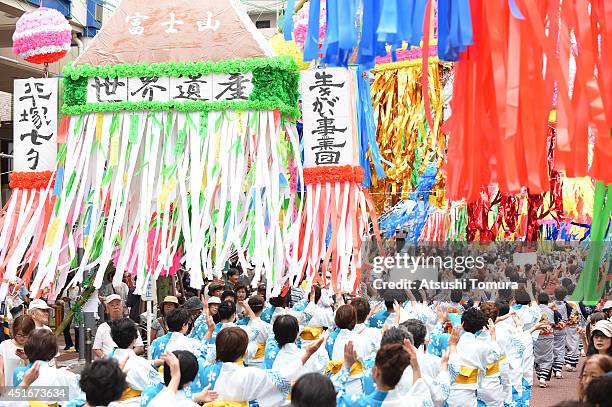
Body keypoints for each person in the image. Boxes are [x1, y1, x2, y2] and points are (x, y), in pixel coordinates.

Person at [194, 327, 294, 407]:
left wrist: (210, 330)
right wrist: (304, 357)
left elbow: (198, 354)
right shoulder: (250, 374)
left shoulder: (204, 369)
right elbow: (284, 380)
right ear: (243, 352)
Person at [335, 341, 432, 406]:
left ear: (376, 372)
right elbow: (421, 391)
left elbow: (330, 393)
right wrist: (415, 366)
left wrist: (347, 366)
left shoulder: (356, 403)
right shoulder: (414, 403)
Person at [447, 308, 500, 407]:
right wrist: (493, 335)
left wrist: (452, 345)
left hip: (451, 390)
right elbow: (495, 356)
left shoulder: (451, 341)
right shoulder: (481, 346)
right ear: (481, 327)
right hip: (468, 390)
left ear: (462, 324)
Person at [13, 330, 82, 403]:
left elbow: (15, 401)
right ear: (54, 351)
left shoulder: (19, 373)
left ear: (27, 347)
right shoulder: (67, 376)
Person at [108, 318, 162, 401]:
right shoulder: (137, 363)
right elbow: (153, 385)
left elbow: (144, 363)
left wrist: (158, 361)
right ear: (134, 338)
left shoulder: (108, 359)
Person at [265, 315, 328, 382]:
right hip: (299, 391)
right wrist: (322, 344)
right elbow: (321, 365)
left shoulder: (270, 349)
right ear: (297, 333)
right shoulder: (304, 355)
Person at [145, 351, 218, 407]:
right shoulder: (190, 405)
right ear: (191, 380)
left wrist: (195, 397)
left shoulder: (147, 393)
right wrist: (176, 376)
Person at [0, 315, 35, 386]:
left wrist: (26, 359)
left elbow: (34, 371)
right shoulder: (5, 345)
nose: (22, 338)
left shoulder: (34, 346)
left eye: (25, 335)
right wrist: (2, 390)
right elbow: (1, 370)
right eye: (19, 335)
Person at [534, 293, 555, 387]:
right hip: (548, 336)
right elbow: (553, 323)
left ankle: (540, 374)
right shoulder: (550, 311)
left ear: (538, 300)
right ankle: (543, 377)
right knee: (548, 357)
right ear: (548, 301)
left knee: (536, 356)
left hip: (536, 336)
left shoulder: (534, 310)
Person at [552, 287, 569, 379]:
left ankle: (552, 368)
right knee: (560, 350)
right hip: (561, 330)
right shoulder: (565, 305)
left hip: (552, 330)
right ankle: (558, 370)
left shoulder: (551, 305)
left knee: (552, 349)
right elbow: (565, 319)